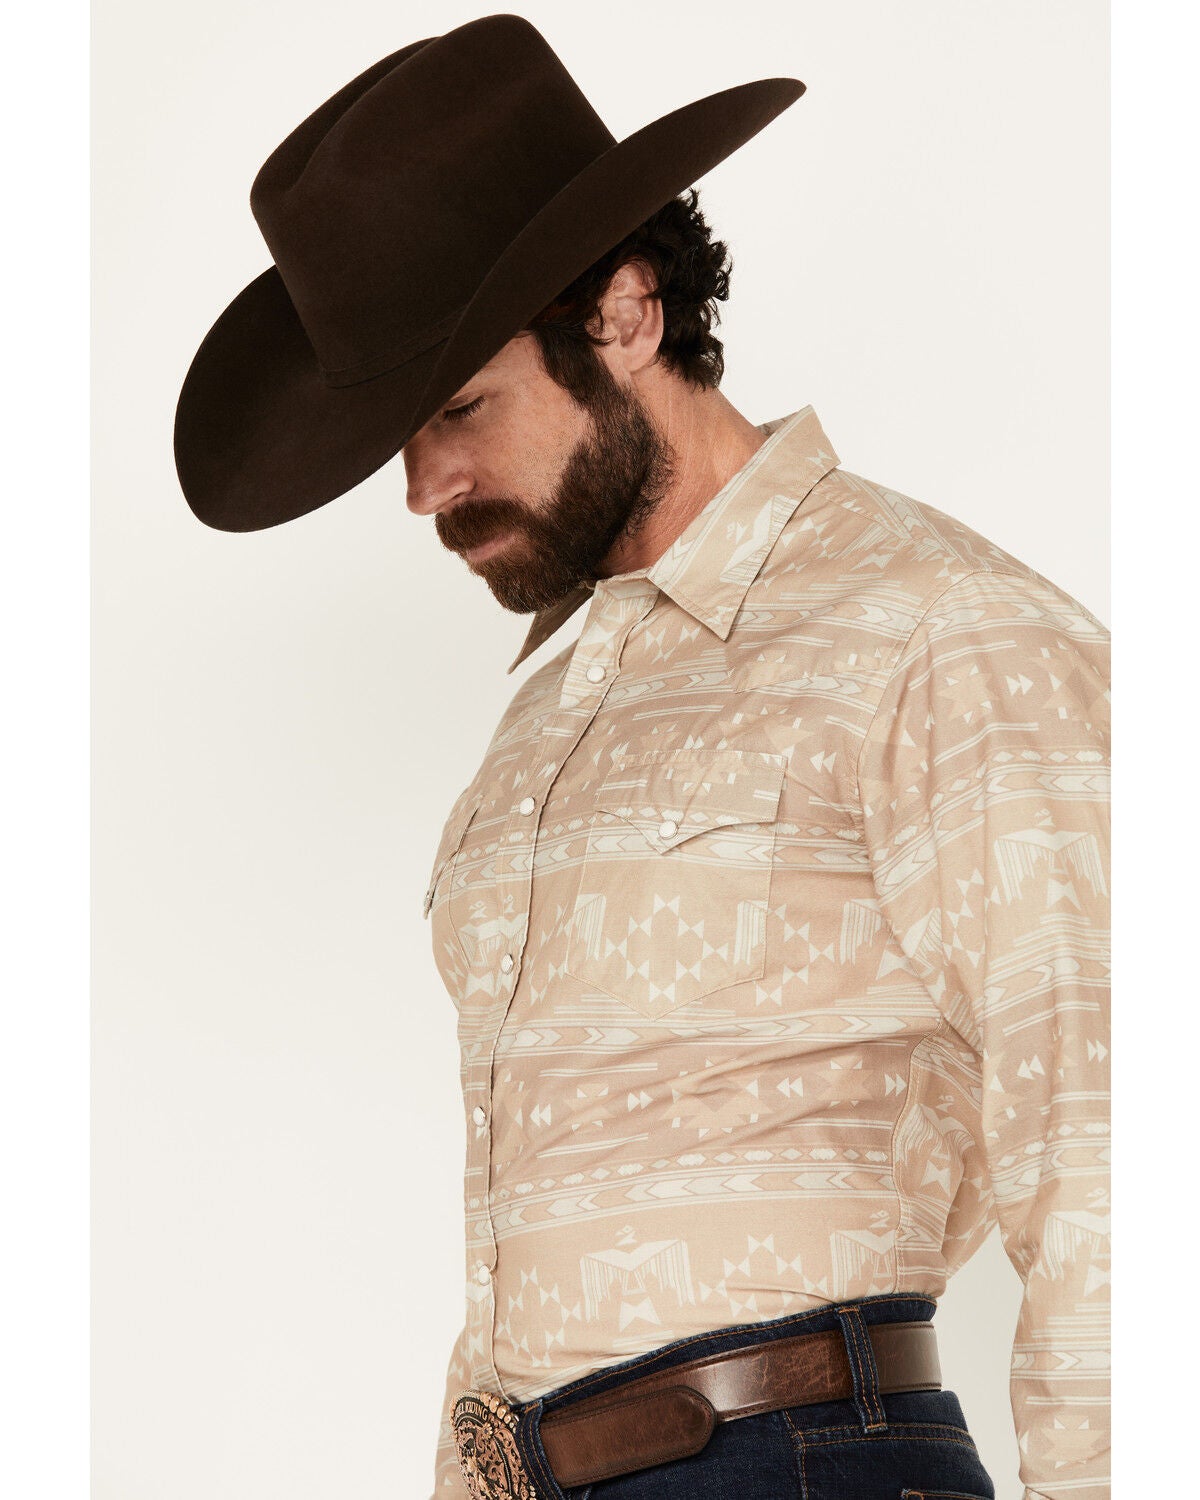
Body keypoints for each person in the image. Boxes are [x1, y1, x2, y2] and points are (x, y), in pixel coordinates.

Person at [174, 16, 1110, 1500]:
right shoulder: (549, 717)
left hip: (800, 1460)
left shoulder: (936, 630)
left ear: (623, 313)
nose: (424, 487)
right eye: (400, 437)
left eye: (461, 410)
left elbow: (1119, 1157)